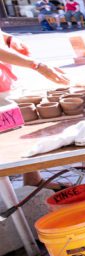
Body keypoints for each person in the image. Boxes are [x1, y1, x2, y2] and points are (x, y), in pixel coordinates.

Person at [0, 29, 70, 190]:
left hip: (6, 81)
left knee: (19, 130)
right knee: (8, 140)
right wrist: (37, 65)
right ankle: (10, 199)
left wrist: (7, 38)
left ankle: (33, 180)